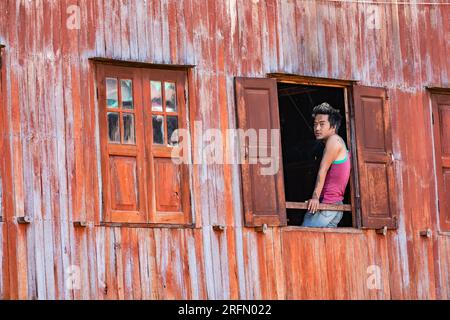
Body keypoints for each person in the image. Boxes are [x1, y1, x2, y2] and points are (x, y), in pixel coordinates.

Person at [302, 102, 351, 228]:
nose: (317, 128)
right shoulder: (339, 142)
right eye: (315, 124)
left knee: (303, 236)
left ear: (333, 126)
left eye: (322, 124)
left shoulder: (333, 140)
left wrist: (315, 198)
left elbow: (322, 171)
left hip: (326, 207)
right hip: (334, 207)